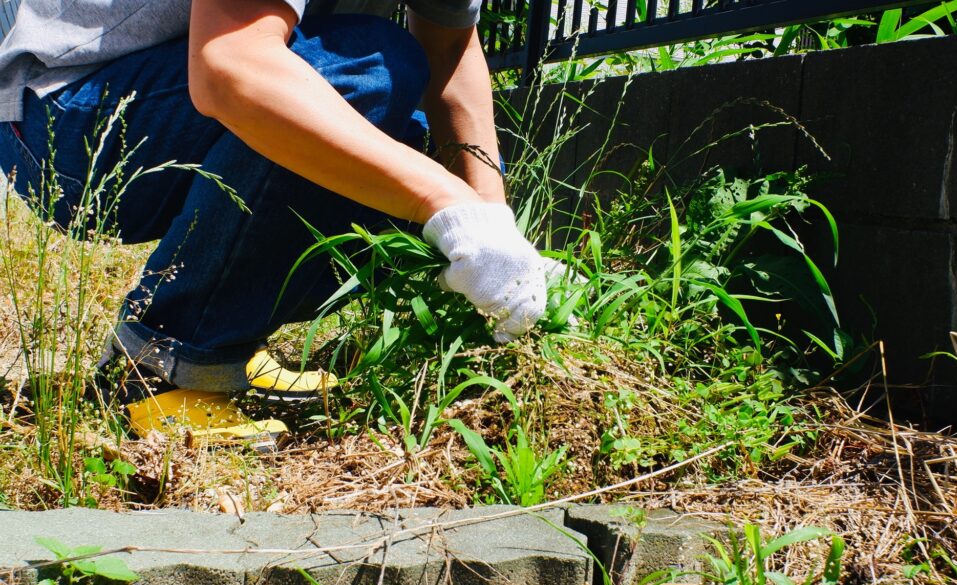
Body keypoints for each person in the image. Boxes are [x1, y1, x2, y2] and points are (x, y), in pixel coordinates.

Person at [0, 0, 557, 446]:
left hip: (162, 89)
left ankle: (225, 341)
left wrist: (494, 222)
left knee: (399, 133)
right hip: (63, 114)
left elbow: (449, 52)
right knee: (368, 69)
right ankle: (166, 361)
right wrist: (447, 206)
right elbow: (232, 66)